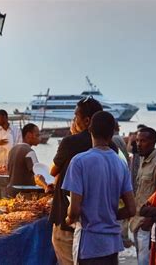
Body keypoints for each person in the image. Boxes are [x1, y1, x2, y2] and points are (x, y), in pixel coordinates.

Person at [49, 97, 117, 265]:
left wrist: (70, 219)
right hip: (99, 225)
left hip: (70, 223)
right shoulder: (112, 149)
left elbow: (53, 170)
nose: (73, 121)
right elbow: (128, 204)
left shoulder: (71, 143)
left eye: (75, 117)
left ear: (87, 121)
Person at [63, 111, 136, 264]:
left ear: (90, 130)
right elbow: (131, 209)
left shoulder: (79, 161)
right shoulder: (120, 164)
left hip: (89, 244)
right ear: (112, 135)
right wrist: (108, 215)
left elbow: (74, 210)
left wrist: (68, 219)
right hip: (112, 244)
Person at [129, 126, 156, 265]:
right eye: (137, 140)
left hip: (147, 223)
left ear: (153, 142)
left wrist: (150, 219)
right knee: (140, 260)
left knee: (147, 261)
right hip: (137, 220)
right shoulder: (142, 163)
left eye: (143, 141)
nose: (138, 144)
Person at [6, 123, 42, 197]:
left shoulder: (13, 149)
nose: (40, 138)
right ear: (29, 135)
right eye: (37, 135)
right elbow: (38, 175)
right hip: (23, 194)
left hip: (10, 191)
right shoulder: (29, 152)